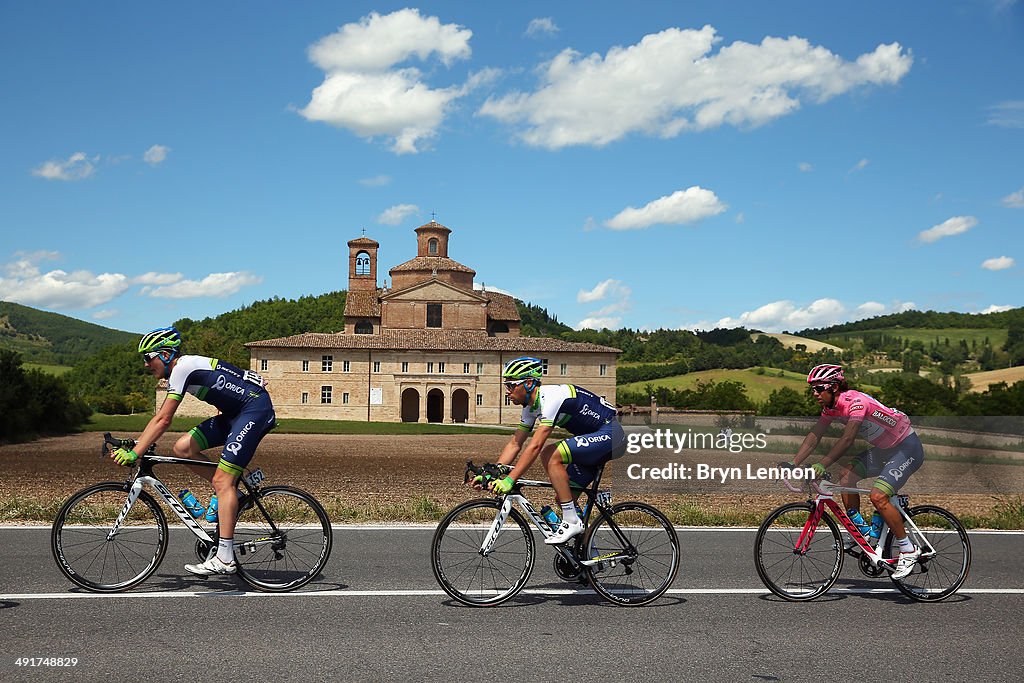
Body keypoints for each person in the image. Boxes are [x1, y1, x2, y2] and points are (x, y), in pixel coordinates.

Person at [109, 326, 276, 576]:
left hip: (254, 411)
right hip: (235, 414)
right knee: (182, 448)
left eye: (148, 358)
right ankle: (234, 495)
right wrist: (138, 443)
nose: (145, 365)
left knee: (222, 480)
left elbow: (164, 419)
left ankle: (225, 558)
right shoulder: (186, 366)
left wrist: (136, 453)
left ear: (165, 355)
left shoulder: (181, 369)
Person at [789, 363, 924, 579]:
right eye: (812, 389)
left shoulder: (856, 402)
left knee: (878, 496)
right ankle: (860, 531)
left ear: (833, 387)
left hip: (906, 448)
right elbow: (816, 434)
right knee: (846, 476)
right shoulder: (830, 408)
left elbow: (848, 439)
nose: (814, 393)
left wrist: (822, 465)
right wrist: (793, 463)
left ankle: (908, 549)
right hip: (884, 451)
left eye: (818, 388)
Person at [477, 356, 625, 545]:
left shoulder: (551, 398)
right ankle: (587, 556)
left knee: (550, 454)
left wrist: (510, 478)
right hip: (593, 441)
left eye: (511, 385)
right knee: (564, 497)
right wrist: (494, 473)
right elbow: (515, 443)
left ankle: (571, 522)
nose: (507, 391)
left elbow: (536, 446)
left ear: (529, 383)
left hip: (612, 435)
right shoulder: (530, 408)